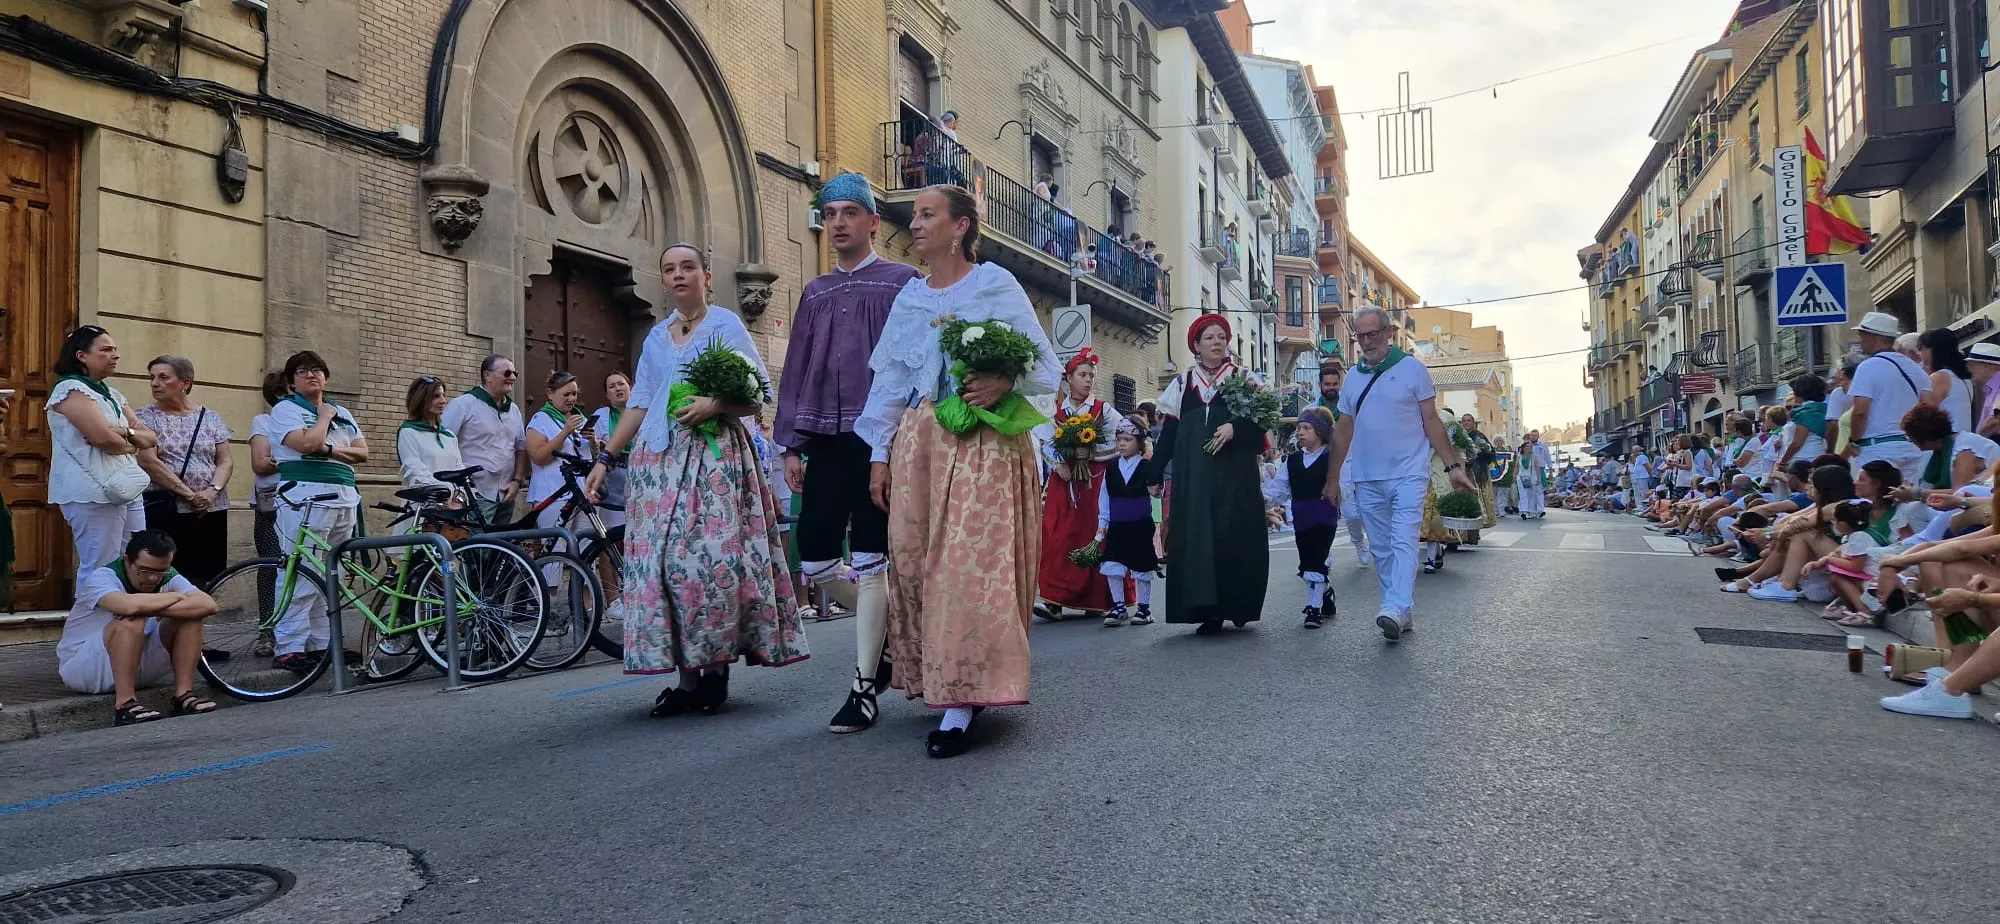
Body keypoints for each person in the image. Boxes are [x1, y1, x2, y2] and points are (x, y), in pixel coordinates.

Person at [855, 184, 1060, 757]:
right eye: (914, 215)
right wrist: (878, 454)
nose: (914, 224)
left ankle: (964, 700)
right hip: (921, 442)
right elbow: (891, 383)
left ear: (962, 225)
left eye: (927, 214)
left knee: (969, 566)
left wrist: (1002, 382)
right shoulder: (909, 299)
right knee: (918, 563)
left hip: (984, 440)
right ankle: (942, 681)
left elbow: (1044, 367)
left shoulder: (995, 284)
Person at [583, 243, 806, 719]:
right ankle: (687, 680)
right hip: (658, 463)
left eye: (688, 267)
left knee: (708, 566)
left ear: (706, 276)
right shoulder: (658, 337)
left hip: (714, 462)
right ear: (663, 280)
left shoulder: (725, 324)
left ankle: (716, 667)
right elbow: (640, 403)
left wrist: (716, 405)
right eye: (670, 269)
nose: (679, 275)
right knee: (665, 569)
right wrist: (606, 457)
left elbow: (758, 392)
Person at [775, 172, 922, 735]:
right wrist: (792, 442)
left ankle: (863, 688)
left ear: (871, 222)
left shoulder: (903, 282)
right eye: (830, 213)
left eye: (848, 213)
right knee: (813, 556)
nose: (838, 223)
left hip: (884, 439)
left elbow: (915, 364)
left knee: (871, 556)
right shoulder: (815, 292)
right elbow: (798, 370)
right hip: (828, 439)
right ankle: (884, 630)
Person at [1326, 305, 1477, 641]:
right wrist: (1333, 478)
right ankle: (1401, 611)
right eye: (1360, 336)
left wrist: (1454, 467)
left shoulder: (1412, 370)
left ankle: (1394, 607)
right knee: (1381, 549)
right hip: (1366, 476)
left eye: (1372, 334)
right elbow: (1342, 431)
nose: (1366, 341)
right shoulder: (1352, 378)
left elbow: (1432, 422)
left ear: (1388, 333)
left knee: (1404, 541)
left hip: (1409, 473)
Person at [1155, 313, 1270, 635]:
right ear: (1196, 345)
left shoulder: (1243, 378)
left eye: (1222, 337)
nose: (1217, 342)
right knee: (1199, 538)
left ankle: (1240, 603)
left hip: (1236, 475)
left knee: (1236, 534)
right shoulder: (1182, 383)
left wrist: (1237, 426)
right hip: (1195, 479)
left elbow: (1265, 419)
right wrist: (1152, 471)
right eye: (1210, 338)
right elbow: (1169, 435)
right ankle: (1209, 611)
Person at [268, 350, 368, 671]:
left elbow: (363, 453)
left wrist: (327, 448)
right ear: (291, 381)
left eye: (316, 370)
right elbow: (306, 444)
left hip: (343, 495)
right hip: (304, 495)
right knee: (299, 570)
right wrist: (324, 419)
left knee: (331, 571)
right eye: (302, 371)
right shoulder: (286, 409)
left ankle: (325, 643)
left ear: (326, 376)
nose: (311, 375)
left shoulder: (344, 411)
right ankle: (291, 646)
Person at [56, 530, 219, 724]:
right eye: (145, 571)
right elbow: (126, 607)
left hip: (138, 663)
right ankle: (125, 704)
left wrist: (153, 608)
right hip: (86, 669)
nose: (153, 579)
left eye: (160, 572)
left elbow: (208, 605)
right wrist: (176, 597)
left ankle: (183, 696)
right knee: (131, 619)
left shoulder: (167, 575)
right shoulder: (103, 577)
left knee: (191, 617)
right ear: (128, 561)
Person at [47, 325, 158, 594]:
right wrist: (130, 442)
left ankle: (121, 628)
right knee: (100, 564)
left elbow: (151, 437)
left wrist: (125, 434)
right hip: (91, 490)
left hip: (125, 486)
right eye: (106, 350)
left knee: (133, 558)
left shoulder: (112, 394)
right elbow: (103, 440)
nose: (115, 355)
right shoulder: (70, 388)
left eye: (115, 349)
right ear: (82, 355)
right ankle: (89, 631)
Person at [1034, 348, 1122, 620]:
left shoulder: (1102, 409)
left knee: (1092, 534)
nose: (1088, 380)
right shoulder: (1056, 411)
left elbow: (1122, 440)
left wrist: (1092, 454)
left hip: (1094, 483)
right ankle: (1054, 600)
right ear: (1068, 378)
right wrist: (1059, 463)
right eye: (1082, 374)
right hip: (1065, 483)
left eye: (1091, 375)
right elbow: (1045, 441)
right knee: (1057, 535)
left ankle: (1096, 599)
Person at [131, 356, 233, 589]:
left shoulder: (211, 417)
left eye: (163, 377)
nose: (155, 383)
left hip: (210, 509)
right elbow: (149, 461)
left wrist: (211, 491)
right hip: (168, 508)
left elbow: (225, 461)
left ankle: (194, 621)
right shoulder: (145, 418)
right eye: (152, 378)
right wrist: (189, 495)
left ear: (185, 383)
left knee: (206, 575)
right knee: (166, 573)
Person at [1264, 407, 1339, 628]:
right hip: (1302, 518)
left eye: (1307, 428)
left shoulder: (1332, 458)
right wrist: (1263, 500)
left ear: (1321, 431)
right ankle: (1325, 593)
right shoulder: (1293, 461)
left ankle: (1313, 610)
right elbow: (1280, 489)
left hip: (1324, 515)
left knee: (1316, 559)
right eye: (1299, 429)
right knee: (1307, 563)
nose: (1301, 433)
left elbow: (1344, 483)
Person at [442, 354, 529, 524]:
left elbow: (520, 447)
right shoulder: (463, 404)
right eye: (507, 373)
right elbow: (443, 444)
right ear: (487, 375)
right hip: (475, 492)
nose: (512, 378)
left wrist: (517, 481)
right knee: (475, 546)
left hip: (506, 492)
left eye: (514, 373)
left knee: (499, 546)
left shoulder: (513, 410)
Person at [1847, 312, 1932, 485]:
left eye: (1862, 335)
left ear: (1875, 336)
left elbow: (1861, 411)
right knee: (1906, 502)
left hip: (1877, 448)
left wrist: (1854, 441)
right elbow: (1928, 408)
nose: (1859, 340)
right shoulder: (1916, 369)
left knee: (1873, 503)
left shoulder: (1867, 367)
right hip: (1911, 447)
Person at [1095, 420, 1160, 627]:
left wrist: (1157, 491)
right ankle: (1119, 607)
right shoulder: (1111, 468)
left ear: (1139, 442)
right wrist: (1102, 523)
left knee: (1141, 566)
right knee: (1112, 564)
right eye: (1119, 440)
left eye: (1127, 440)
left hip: (1140, 525)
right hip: (1117, 525)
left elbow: (1157, 492)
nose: (1122, 444)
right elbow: (1104, 497)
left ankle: (1144, 609)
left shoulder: (1147, 467)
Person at [1310, 361, 1369, 565]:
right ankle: (1325, 552)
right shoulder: (1311, 411)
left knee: (1351, 514)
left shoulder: (1349, 409)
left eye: (1335, 384)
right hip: (1321, 467)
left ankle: (1359, 541)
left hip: (1347, 466)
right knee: (1322, 514)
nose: (1332, 388)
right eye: (1328, 384)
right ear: (1320, 385)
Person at [247, 372, 287, 655]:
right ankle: (267, 630)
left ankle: (299, 631)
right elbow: (261, 463)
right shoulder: (265, 422)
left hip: (307, 503)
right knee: (270, 566)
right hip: (271, 504)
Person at [525, 370, 593, 530]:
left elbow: (586, 457)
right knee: (558, 546)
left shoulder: (579, 419)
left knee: (586, 544)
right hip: (553, 494)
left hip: (580, 493)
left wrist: (594, 444)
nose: (571, 399)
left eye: (574, 394)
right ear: (550, 394)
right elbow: (538, 457)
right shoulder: (540, 419)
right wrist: (564, 433)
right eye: (566, 394)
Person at [397, 375, 465, 492]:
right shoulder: (408, 432)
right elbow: (415, 471)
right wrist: (446, 493)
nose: (443, 401)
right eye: (436, 396)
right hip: (426, 504)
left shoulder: (449, 436)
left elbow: (459, 471)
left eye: (443, 395)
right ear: (421, 399)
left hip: (455, 504)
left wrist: (460, 495)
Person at [590, 371, 633, 530]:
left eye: (621, 384)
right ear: (608, 394)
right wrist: (596, 445)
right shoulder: (601, 415)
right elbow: (592, 452)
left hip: (638, 474)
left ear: (631, 388)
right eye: (612, 386)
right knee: (611, 531)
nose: (617, 388)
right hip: (613, 476)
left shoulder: (644, 413)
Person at [1918, 328, 1976, 434]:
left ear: (1933, 349)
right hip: (1962, 439)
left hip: (1947, 441)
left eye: (1921, 347)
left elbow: (1925, 413)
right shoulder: (1965, 379)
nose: (1920, 353)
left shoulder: (1939, 377)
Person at [1461, 414, 1499, 529]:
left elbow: (1491, 454)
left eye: (1468, 421)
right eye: (1464, 421)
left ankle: (1480, 523)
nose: (1466, 423)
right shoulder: (1460, 436)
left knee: (1479, 498)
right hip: (1464, 471)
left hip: (1478, 472)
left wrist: (1480, 452)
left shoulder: (1479, 436)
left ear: (1473, 423)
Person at [1967, 341, 2000, 438]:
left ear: (1987, 365)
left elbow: (1995, 420)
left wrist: (1976, 441)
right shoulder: (1991, 389)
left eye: (1971, 364)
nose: (1968, 368)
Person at [1517, 430, 1551, 519]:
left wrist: (1550, 468)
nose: (1533, 437)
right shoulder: (1525, 447)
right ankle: (1530, 510)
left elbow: (1547, 457)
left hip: (1540, 468)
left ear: (1538, 436)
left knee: (1539, 490)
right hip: (1528, 472)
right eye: (1531, 435)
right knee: (1529, 492)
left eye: (1535, 435)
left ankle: (1541, 510)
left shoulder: (1543, 446)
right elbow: (1519, 461)